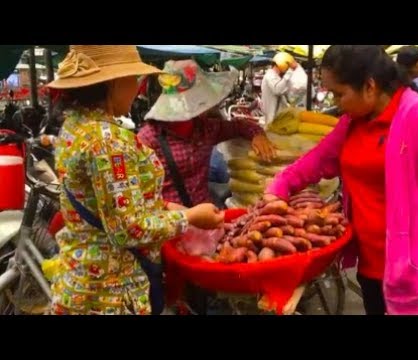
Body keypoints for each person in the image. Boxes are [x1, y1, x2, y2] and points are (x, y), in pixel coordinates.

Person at [265, 45, 418, 315]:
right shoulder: (351, 123)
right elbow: (316, 161)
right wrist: (278, 188)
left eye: (339, 93)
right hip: (372, 270)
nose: (335, 102)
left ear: (369, 86)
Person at [46, 45, 224, 315]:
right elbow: (129, 229)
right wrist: (189, 218)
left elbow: (109, 201)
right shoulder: (110, 144)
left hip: (80, 279)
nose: (137, 86)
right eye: (133, 79)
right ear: (114, 84)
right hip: (110, 290)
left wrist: (166, 207)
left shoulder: (74, 128)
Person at [137, 59, 276, 314]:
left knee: (207, 288)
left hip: (206, 226)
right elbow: (139, 195)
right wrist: (175, 213)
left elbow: (240, 125)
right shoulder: (148, 138)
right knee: (175, 293)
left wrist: (257, 134)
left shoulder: (206, 128)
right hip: (170, 227)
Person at [261, 52, 300, 126]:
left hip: (279, 119)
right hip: (273, 121)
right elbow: (277, 90)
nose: (287, 68)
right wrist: (290, 71)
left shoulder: (277, 77)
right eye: (287, 66)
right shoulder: (270, 75)